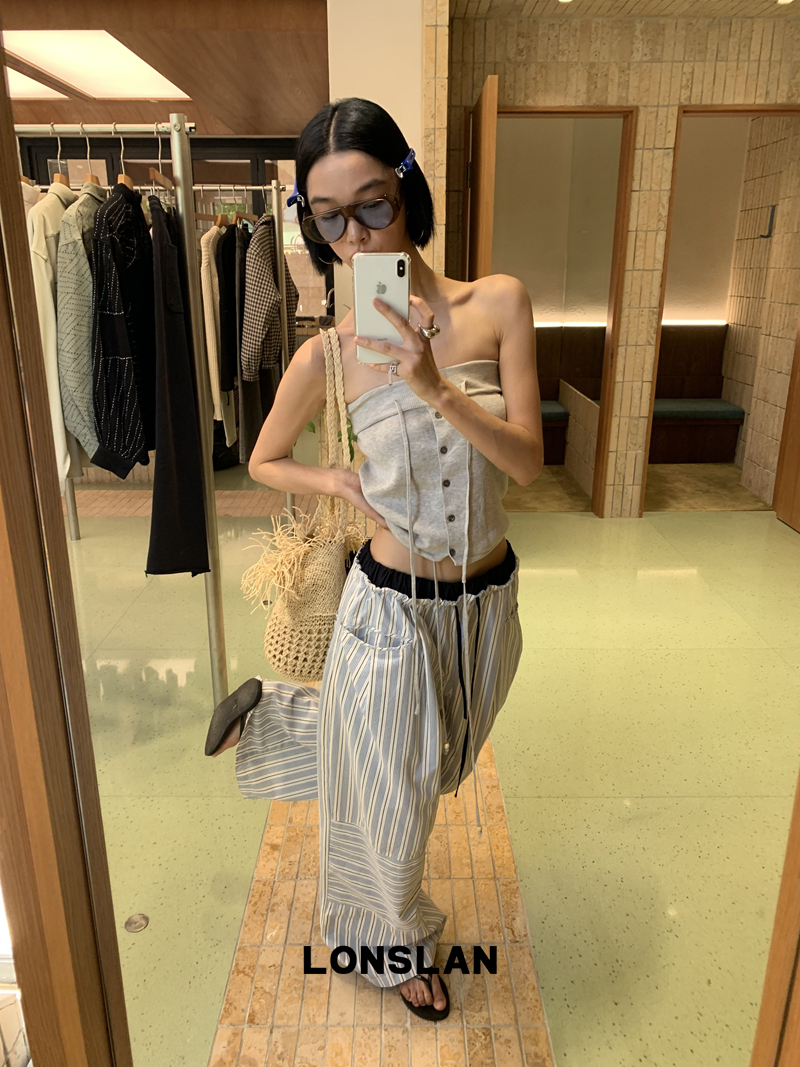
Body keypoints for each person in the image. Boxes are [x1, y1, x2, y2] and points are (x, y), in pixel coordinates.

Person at [205, 97, 543, 1020]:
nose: (354, 236)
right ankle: (392, 947)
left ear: (409, 191)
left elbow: (527, 463)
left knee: (440, 761)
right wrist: (334, 479)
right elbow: (263, 457)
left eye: (373, 206)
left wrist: (435, 386)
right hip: (388, 604)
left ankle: (275, 718)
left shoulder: (498, 303)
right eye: (329, 218)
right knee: (395, 804)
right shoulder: (330, 353)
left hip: (487, 605)